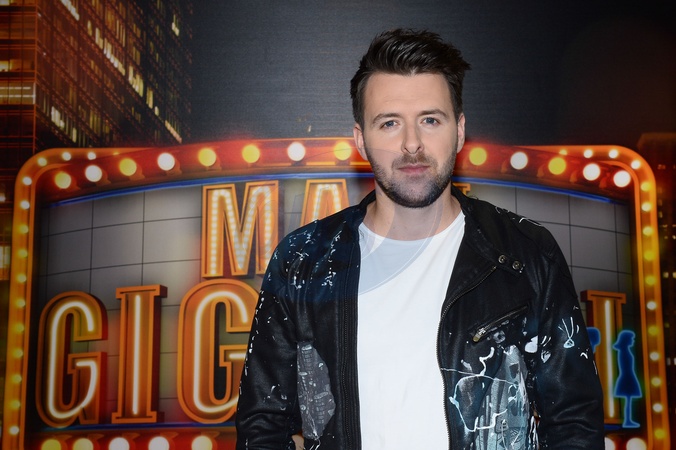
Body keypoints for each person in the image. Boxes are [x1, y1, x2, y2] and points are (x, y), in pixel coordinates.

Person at [235, 28, 605, 449]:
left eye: (430, 120)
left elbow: (575, 422)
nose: (412, 143)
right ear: (360, 140)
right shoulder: (302, 261)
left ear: (460, 131)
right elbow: (262, 426)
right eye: (389, 123)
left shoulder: (525, 253)